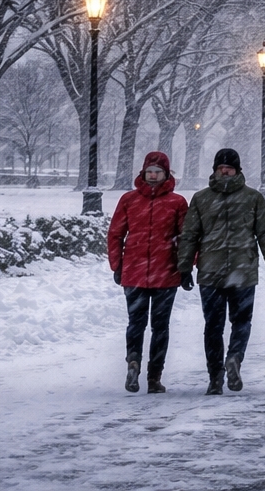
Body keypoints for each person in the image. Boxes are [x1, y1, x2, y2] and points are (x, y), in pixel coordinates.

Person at [176, 148, 265, 396]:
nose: (225, 171)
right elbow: (189, 235)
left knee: (237, 322)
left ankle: (230, 361)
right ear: (214, 170)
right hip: (212, 273)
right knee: (215, 325)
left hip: (241, 272)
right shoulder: (201, 199)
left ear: (237, 170)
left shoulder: (252, 198)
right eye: (221, 167)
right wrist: (184, 267)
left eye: (229, 168)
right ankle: (217, 374)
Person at [108, 150, 188, 394]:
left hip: (165, 273)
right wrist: (117, 265)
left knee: (152, 326)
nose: (153, 176)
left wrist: (186, 266)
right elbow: (115, 234)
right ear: (143, 173)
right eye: (149, 172)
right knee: (143, 325)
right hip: (136, 273)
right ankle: (142, 369)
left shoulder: (177, 202)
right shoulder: (129, 200)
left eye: (158, 172)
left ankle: (148, 371)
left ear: (167, 174)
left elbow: (186, 238)